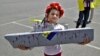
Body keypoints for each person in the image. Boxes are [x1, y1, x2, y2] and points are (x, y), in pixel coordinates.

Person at [17, 2, 91, 56]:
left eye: (57, 15)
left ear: (59, 17)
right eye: (52, 14)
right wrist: (26, 47)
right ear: (47, 15)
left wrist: (81, 42)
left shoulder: (61, 28)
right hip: (47, 54)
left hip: (58, 53)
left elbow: (70, 37)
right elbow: (35, 39)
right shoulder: (41, 27)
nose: (55, 16)